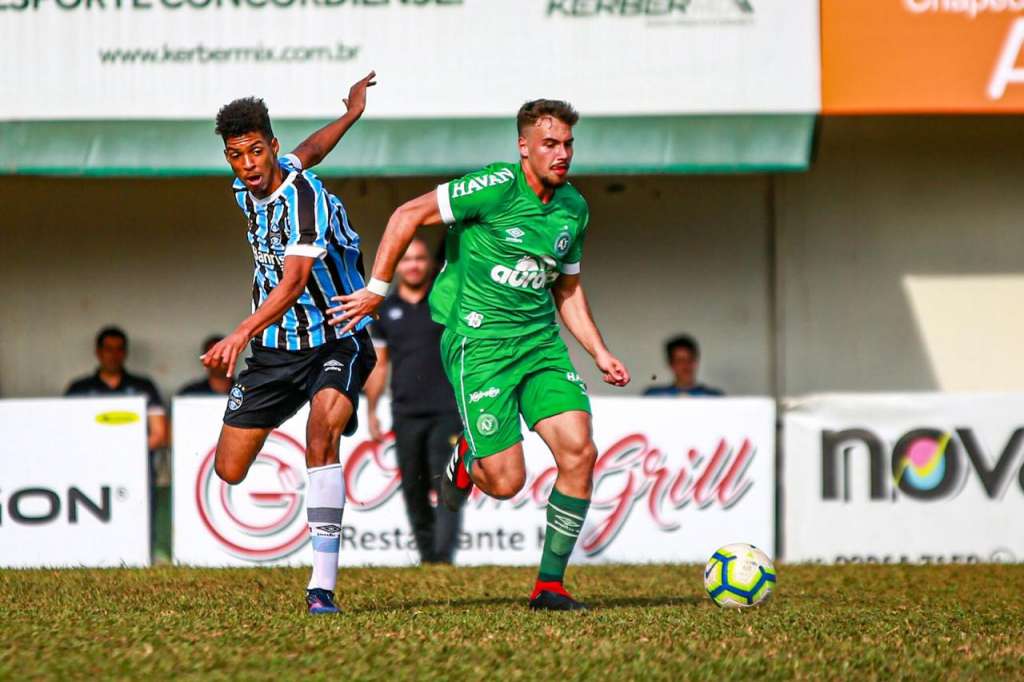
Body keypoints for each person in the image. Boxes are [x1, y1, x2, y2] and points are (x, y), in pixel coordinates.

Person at [329, 99, 631, 611]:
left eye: (568, 144)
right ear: (524, 148)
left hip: (539, 344)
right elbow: (407, 215)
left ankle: (549, 586)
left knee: (580, 451)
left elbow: (568, 289)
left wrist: (599, 351)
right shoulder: (492, 186)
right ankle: (467, 461)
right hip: (479, 343)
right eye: (550, 144)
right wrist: (378, 289)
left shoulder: (573, 208)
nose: (562, 154)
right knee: (507, 481)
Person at [201, 71, 378, 615]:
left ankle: (320, 589)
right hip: (278, 350)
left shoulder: (305, 203)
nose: (248, 164)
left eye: (257, 151)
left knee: (320, 435)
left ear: (270, 147)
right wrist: (350, 114)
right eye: (237, 155)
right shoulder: (253, 184)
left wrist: (240, 330)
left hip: (336, 334)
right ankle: (331, 403)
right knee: (228, 469)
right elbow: (311, 149)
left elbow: (295, 281)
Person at [364, 237, 463, 565]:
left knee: (445, 484)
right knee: (413, 487)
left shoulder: (446, 302)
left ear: (429, 263)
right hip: (406, 412)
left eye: (420, 258)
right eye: (407, 260)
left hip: (448, 409)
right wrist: (372, 409)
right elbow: (380, 364)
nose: (414, 265)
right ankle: (427, 558)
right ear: (397, 267)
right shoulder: (385, 310)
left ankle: (443, 558)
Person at [65, 326, 168, 450]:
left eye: (119, 349)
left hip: (135, 462)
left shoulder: (144, 387)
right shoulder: (78, 389)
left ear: (125, 353)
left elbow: (159, 433)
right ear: (98, 352)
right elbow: (67, 431)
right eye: (108, 349)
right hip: (90, 461)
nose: (114, 355)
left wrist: (127, 452)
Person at [643, 335, 725, 397]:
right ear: (671, 365)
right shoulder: (653, 395)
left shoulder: (714, 397)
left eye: (690, 359)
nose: (686, 365)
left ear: (696, 362)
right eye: (680, 361)